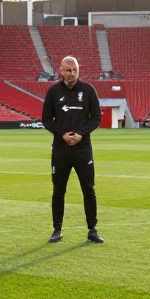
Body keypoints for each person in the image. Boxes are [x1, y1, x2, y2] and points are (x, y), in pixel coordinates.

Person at [41, 55, 103, 243]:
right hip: (61, 150)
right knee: (58, 190)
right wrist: (62, 135)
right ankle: (57, 230)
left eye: (75, 70)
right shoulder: (53, 92)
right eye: (68, 70)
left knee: (89, 189)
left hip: (83, 149)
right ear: (61, 70)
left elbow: (96, 118)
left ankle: (92, 229)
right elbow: (46, 120)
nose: (72, 73)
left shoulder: (88, 90)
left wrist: (81, 134)